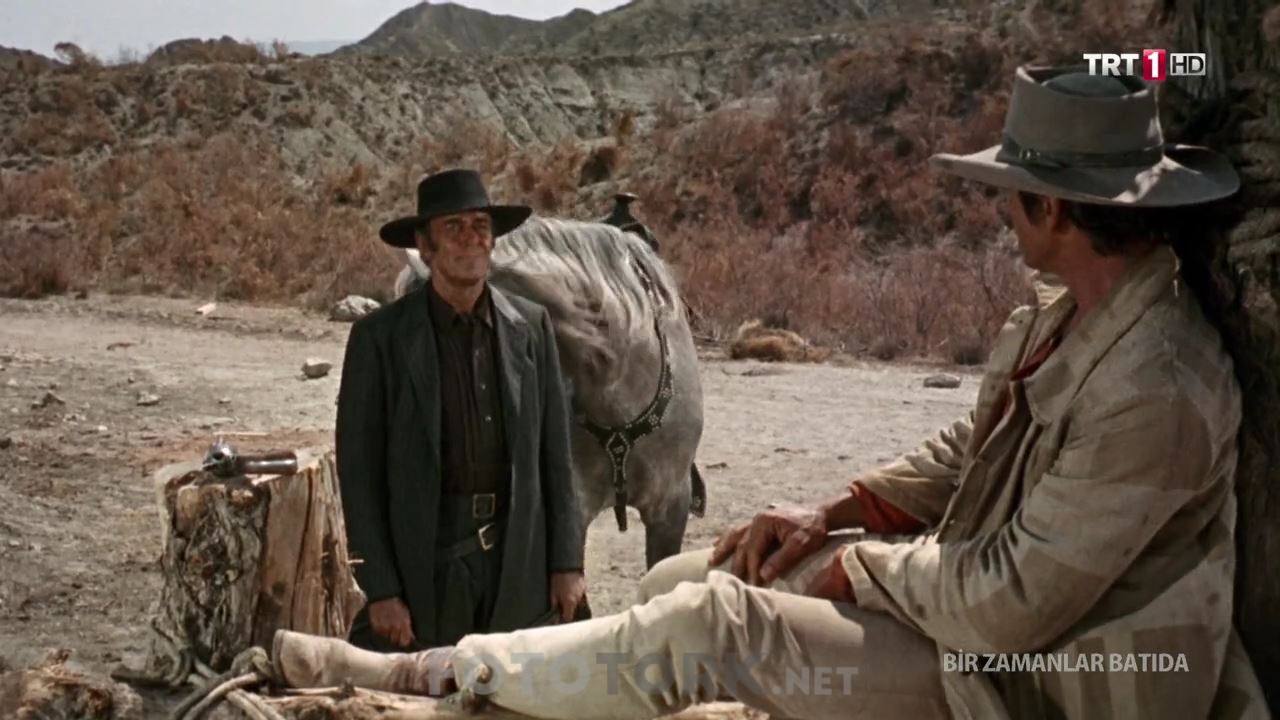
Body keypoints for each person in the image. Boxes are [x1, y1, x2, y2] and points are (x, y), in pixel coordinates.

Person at [294, 67, 1269, 718]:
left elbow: (1012, 604)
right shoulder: (1067, 318)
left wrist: (859, 568)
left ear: (1050, 208)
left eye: (1011, 193)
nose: (1002, 212)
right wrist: (831, 511)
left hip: (1044, 676)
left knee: (712, 620)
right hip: (979, 621)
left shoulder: (1157, 387)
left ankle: (434, 675)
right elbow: (971, 449)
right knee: (684, 577)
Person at [334, 168, 587, 653]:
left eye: (480, 226)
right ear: (424, 247)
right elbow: (359, 476)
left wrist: (567, 562)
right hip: (426, 565)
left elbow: (556, 457)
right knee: (429, 684)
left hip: (516, 559)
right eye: (453, 227)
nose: (471, 238)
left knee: (513, 683)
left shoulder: (531, 327)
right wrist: (381, 590)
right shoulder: (380, 339)